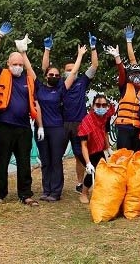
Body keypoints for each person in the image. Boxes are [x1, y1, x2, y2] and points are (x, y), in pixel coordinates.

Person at [0, 22, 42, 206]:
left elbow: (34, 76)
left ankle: (25, 194)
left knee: (24, 162)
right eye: (14, 64)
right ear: (8, 64)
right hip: (4, 125)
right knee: (1, 161)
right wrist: (0, 35)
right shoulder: (1, 74)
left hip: (24, 127)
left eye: (20, 64)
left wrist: (23, 53)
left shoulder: (28, 79)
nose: (17, 66)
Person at [41, 33, 98, 194]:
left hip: (80, 123)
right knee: (56, 155)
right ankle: (54, 185)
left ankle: (81, 184)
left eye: (73, 69)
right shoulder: (60, 83)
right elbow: (45, 69)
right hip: (61, 124)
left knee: (80, 154)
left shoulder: (82, 81)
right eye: (67, 70)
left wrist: (93, 48)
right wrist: (47, 49)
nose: (70, 71)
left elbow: (94, 66)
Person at [35, 42, 87, 201]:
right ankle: (46, 190)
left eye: (57, 75)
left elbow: (73, 73)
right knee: (45, 160)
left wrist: (80, 56)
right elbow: (37, 69)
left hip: (57, 128)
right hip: (41, 129)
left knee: (56, 160)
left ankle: (56, 192)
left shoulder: (61, 88)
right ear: (46, 76)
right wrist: (46, 50)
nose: (54, 77)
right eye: (51, 75)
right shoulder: (39, 88)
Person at [77, 93, 115, 203]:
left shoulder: (104, 117)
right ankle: (83, 194)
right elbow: (83, 145)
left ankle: (99, 192)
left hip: (97, 148)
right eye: (98, 105)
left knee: (102, 169)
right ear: (93, 106)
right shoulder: (87, 121)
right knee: (92, 170)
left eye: (104, 105)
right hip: (84, 149)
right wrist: (88, 163)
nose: (101, 108)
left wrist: (108, 148)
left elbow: (104, 132)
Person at [107, 44, 140, 151]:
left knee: (137, 157)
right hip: (124, 126)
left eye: (138, 73)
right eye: (133, 74)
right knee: (123, 155)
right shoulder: (124, 86)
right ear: (129, 76)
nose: (136, 76)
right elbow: (122, 72)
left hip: (138, 128)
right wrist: (117, 58)